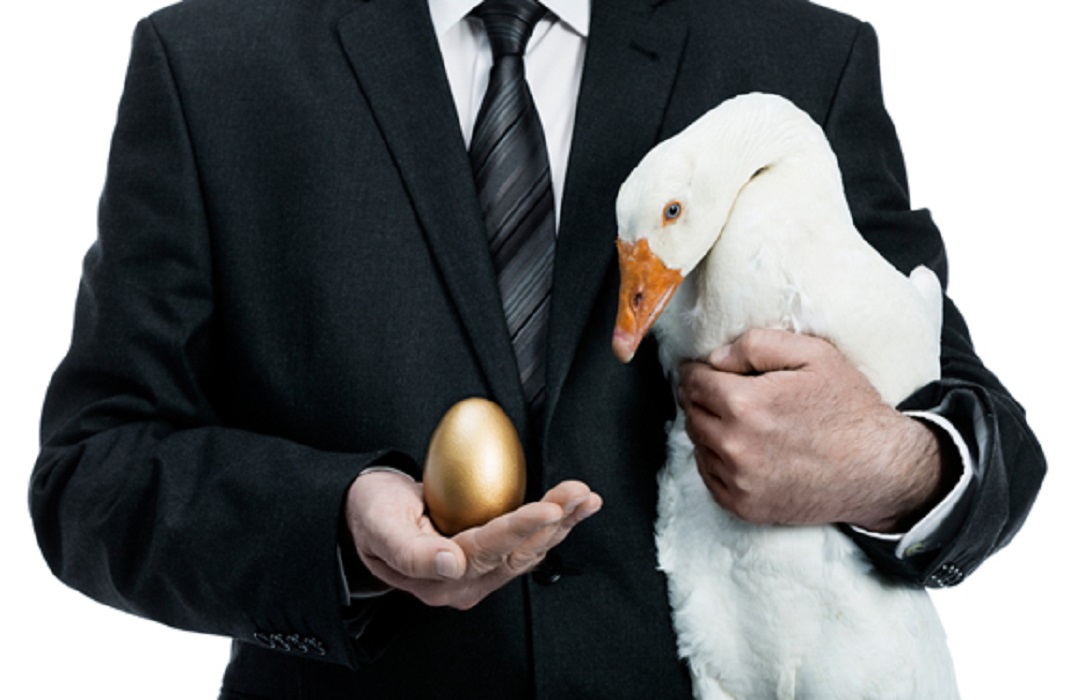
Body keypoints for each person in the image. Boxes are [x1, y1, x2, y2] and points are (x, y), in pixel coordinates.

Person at [30, 0, 1045, 697]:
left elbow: (986, 439)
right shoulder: (213, 65)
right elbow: (94, 473)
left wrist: (883, 460)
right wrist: (338, 527)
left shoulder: (795, 59)